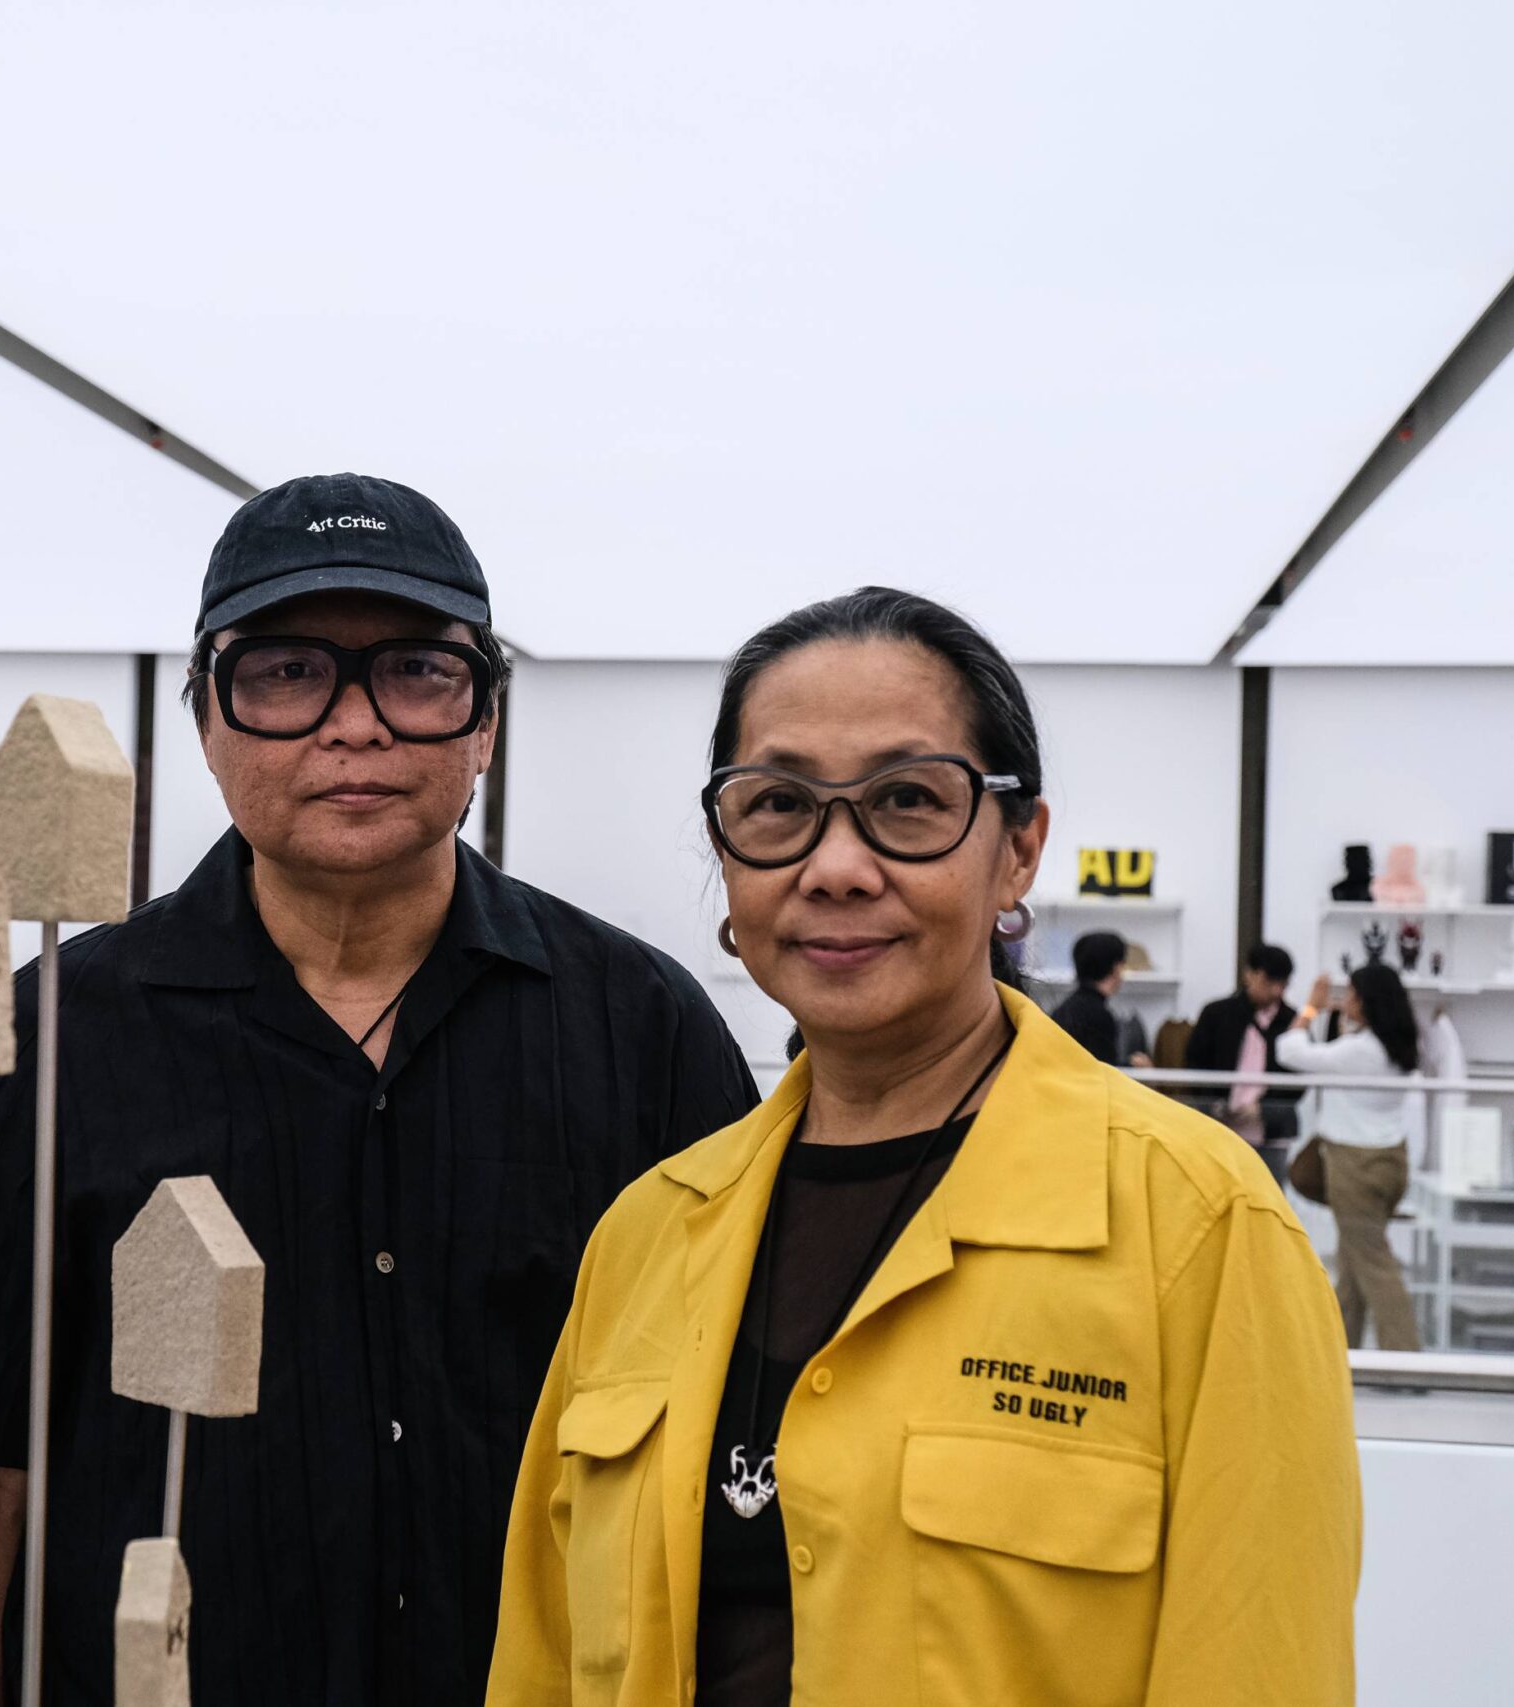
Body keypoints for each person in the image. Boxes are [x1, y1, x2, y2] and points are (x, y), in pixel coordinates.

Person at [0, 472, 759, 1706]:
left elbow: (736, 1449)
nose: (354, 725)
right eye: (284, 673)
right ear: (205, 720)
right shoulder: (43, 1036)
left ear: (485, 721)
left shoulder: (636, 1025)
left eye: (416, 672)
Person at [489, 588, 1360, 1707]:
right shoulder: (647, 1233)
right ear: (727, 852)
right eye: (778, 805)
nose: (837, 865)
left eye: (906, 800)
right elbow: (542, 1662)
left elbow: (1257, 1668)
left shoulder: (1192, 1227)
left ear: (1017, 852)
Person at [1278, 962, 1424, 1352]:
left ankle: (1407, 1362)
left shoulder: (1360, 1051)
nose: (1346, 1002)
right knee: (1354, 1263)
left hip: (1355, 1166)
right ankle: (1345, 1353)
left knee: (1374, 1266)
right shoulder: (1395, 1047)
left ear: (1369, 1001)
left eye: (1353, 995)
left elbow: (1288, 1051)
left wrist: (1311, 1009)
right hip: (1389, 1161)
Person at [1186, 943, 1302, 1169]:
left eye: (1283, 985)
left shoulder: (1290, 1020)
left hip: (1271, 1130)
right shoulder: (1217, 1013)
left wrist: (1264, 1108)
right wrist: (1216, 1103)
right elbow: (1196, 1062)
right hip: (1219, 1124)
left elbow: (1299, 1077)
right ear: (1249, 975)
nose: (1276, 992)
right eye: (1269, 982)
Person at [1048, 929, 1151, 1067]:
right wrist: (1132, 1065)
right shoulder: (1099, 1016)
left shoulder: (1064, 1009)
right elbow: (1100, 1071)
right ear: (1116, 968)